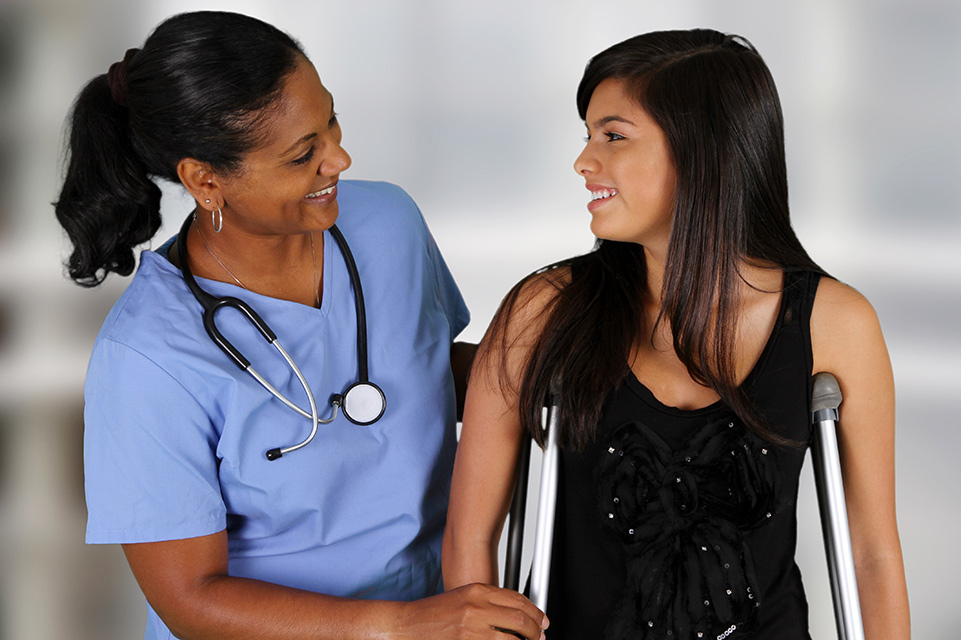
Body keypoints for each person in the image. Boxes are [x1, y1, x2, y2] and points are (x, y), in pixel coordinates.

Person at [55, 11, 548, 640]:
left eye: (331, 122)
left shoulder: (386, 221)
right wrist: (403, 625)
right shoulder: (147, 358)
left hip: (438, 610)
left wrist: (567, 362)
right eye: (301, 155)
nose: (339, 158)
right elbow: (190, 600)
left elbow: (420, 368)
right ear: (205, 181)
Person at [442, 29, 910, 639]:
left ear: (702, 150)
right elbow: (471, 539)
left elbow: (872, 554)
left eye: (613, 136)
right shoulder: (543, 310)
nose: (584, 161)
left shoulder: (835, 322)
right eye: (587, 136)